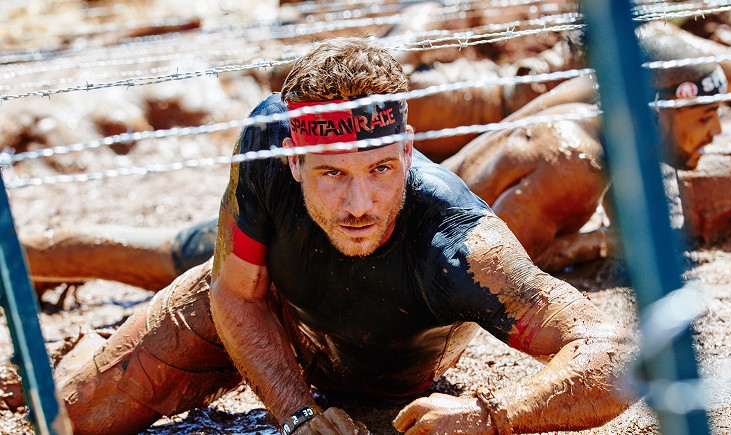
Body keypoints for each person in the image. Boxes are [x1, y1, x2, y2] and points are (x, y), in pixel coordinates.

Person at [19, 38, 635, 434]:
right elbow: (233, 294)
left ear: (407, 150)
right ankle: (85, 349)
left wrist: (490, 416)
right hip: (268, 314)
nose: (359, 204)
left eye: (380, 170)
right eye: (333, 174)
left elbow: (619, 356)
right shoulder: (265, 148)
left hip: (384, 372)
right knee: (71, 418)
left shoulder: (461, 243)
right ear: (293, 161)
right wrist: (295, 413)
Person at [26, 20, 731, 289]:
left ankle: (20, 256)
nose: (721, 134)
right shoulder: (578, 154)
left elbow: (651, 57)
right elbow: (486, 258)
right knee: (162, 256)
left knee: (157, 252)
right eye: (715, 113)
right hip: (348, 232)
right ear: (678, 101)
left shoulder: (582, 109)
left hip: (349, 210)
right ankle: (18, 257)